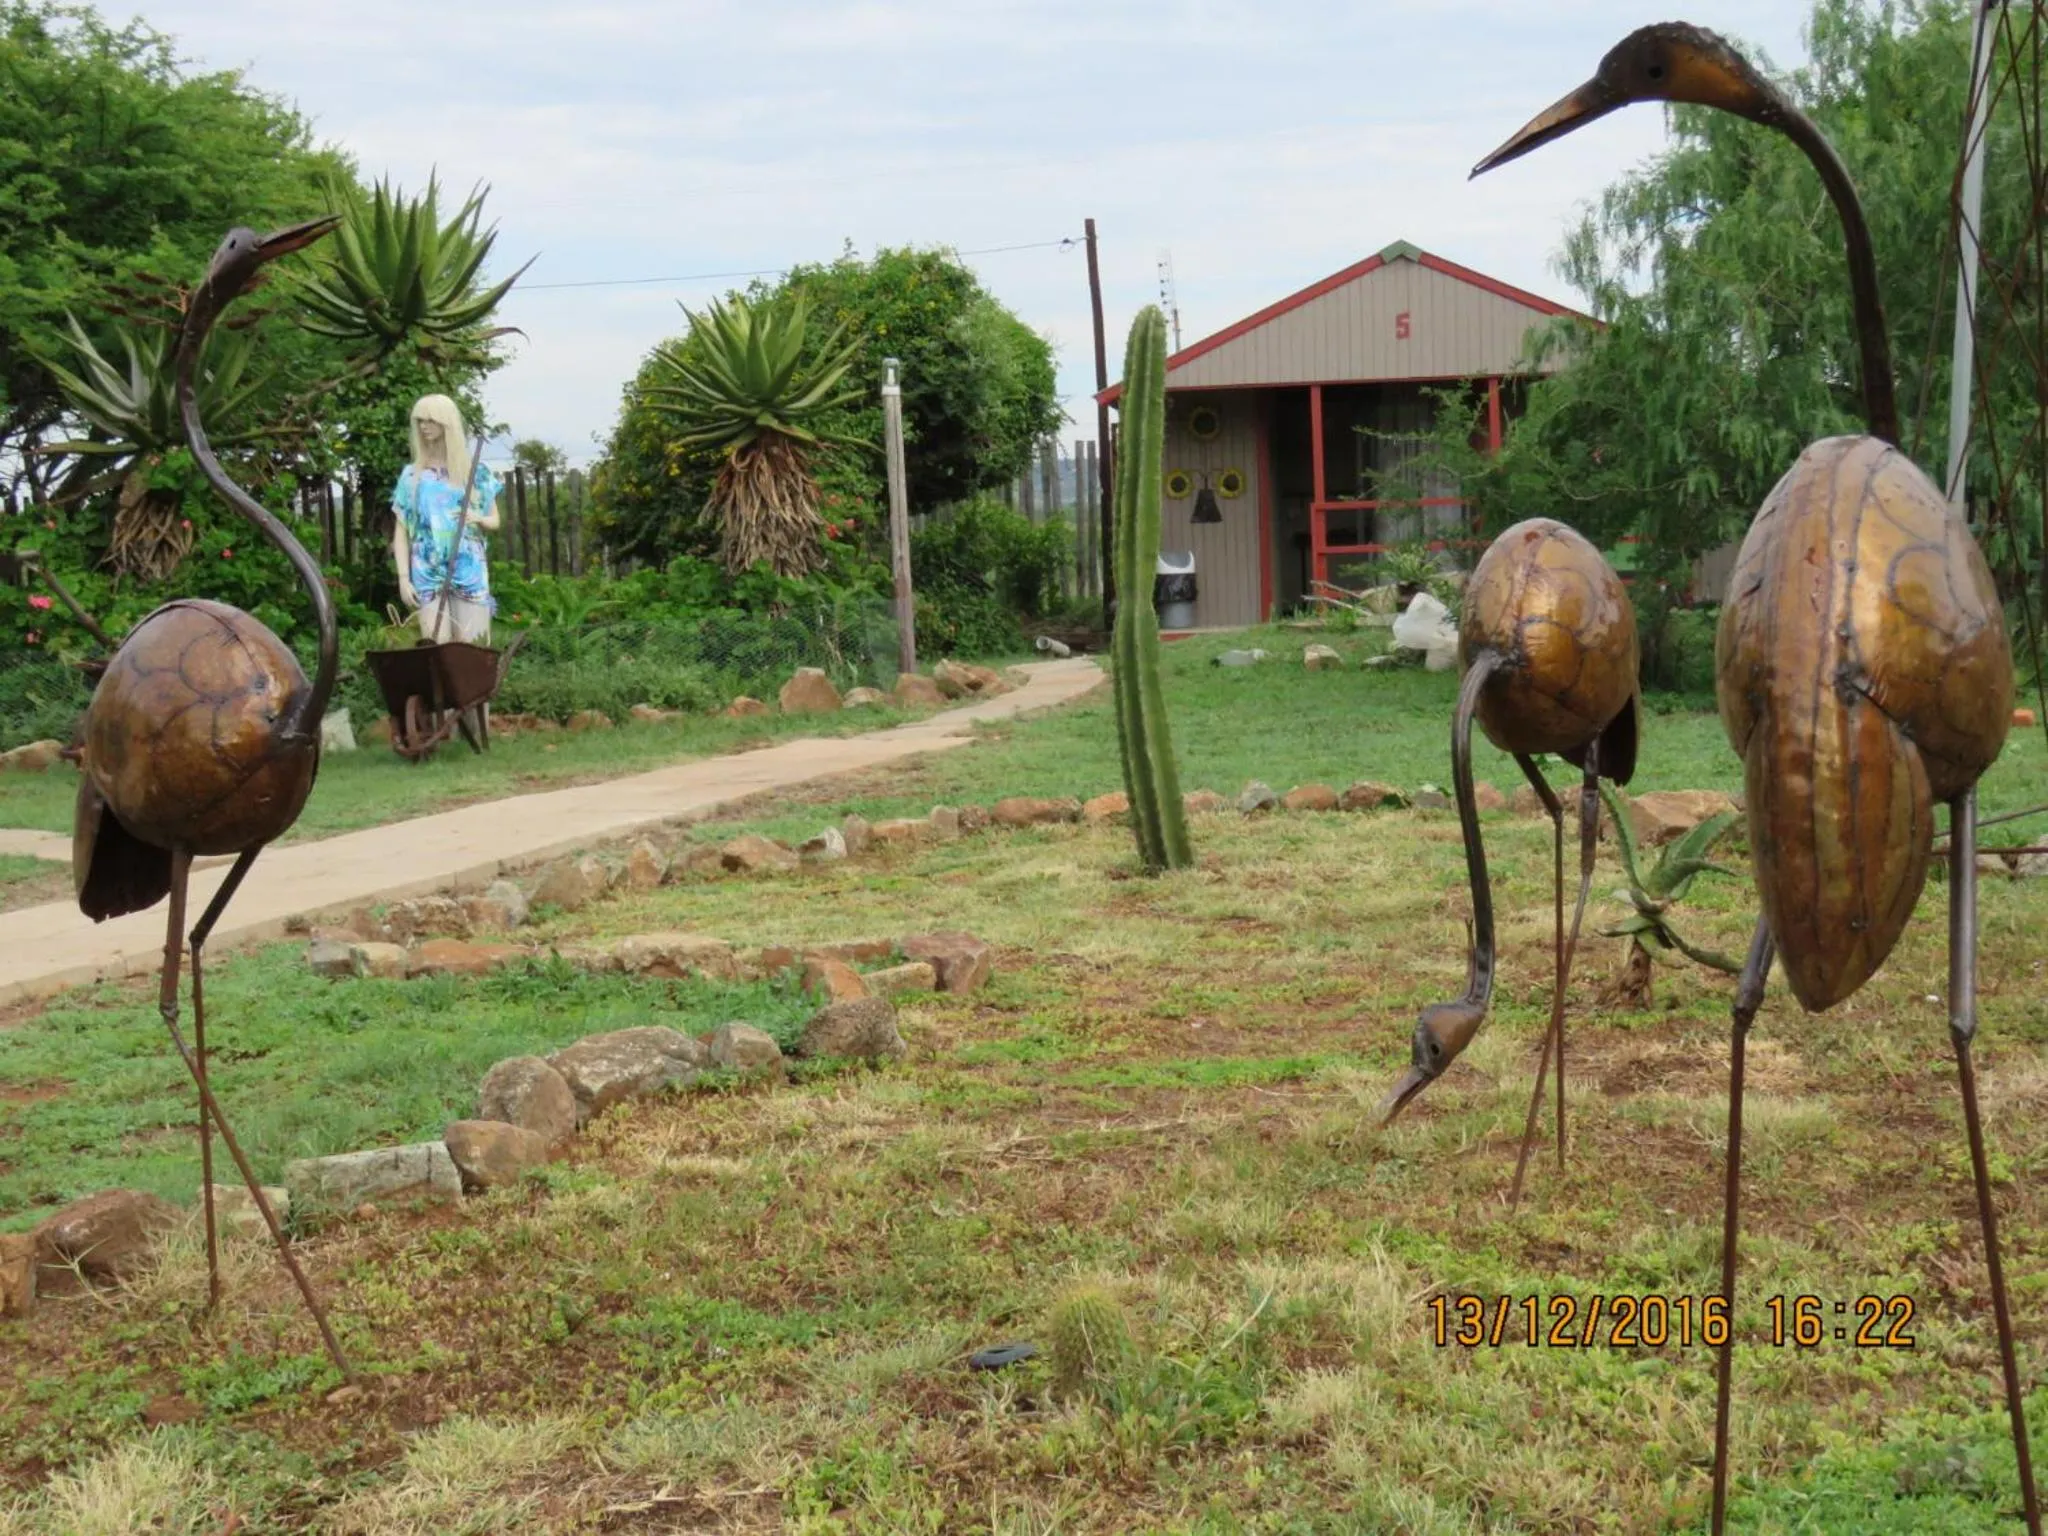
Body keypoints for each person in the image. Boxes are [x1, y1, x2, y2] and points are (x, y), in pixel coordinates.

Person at [391, 395, 501, 643]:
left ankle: (475, 684)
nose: (423, 426)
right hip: (427, 572)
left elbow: (495, 520)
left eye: (430, 420)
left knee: (473, 649)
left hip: (468, 569)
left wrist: (479, 518)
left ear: (446, 423)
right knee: (436, 650)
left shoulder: (475, 472)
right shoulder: (412, 476)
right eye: (419, 420)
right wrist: (403, 579)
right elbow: (401, 534)